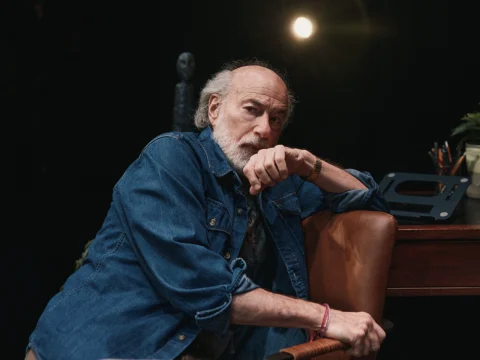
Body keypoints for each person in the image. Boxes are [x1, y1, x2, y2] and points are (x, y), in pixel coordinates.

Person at [26, 59, 390, 360]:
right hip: (112, 346)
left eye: (276, 119)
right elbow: (206, 289)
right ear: (214, 109)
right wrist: (325, 317)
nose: (265, 129)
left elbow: (369, 202)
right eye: (252, 110)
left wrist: (309, 164)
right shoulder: (170, 158)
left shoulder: (281, 183)